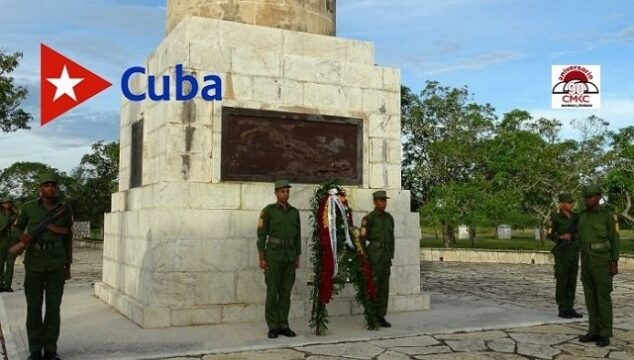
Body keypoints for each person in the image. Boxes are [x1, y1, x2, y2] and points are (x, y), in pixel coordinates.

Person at [10, 174, 73, 360]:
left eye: (53, 185)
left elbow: (68, 237)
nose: (50, 188)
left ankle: (51, 350)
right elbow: (15, 228)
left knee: (54, 308)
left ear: (57, 189)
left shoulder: (64, 209)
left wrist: (68, 264)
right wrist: (23, 238)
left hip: (56, 262)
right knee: (34, 307)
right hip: (35, 262)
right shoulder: (29, 207)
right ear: (40, 189)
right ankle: (35, 350)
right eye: (46, 185)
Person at [256, 180, 301, 339]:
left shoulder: (294, 212)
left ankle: (284, 324)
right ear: (276, 193)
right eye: (282, 191)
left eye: (287, 191)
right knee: (273, 290)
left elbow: (297, 237)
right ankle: (273, 326)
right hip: (273, 255)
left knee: (285, 291)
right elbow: (261, 235)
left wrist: (297, 257)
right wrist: (262, 257)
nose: (285, 194)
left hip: (289, 255)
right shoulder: (268, 211)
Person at [577, 184, 619, 347]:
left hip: (602, 262)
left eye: (591, 196)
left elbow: (615, 239)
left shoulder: (607, 215)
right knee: (590, 299)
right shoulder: (582, 216)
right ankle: (593, 330)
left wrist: (614, 262)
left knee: (603, 298)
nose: (588, 199)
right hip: (586, 261)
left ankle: (605, 333)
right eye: (586, 197)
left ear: (599, 197)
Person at [360, 190, 394, 328]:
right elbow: (361, 239)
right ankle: (371, 316)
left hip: (385, 256)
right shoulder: (369, 219)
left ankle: (380, 315)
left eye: (384, 200)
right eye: (380, 201)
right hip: (374, 256)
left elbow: (391, 238)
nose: (383, 203)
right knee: (373, 286)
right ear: (374, 202)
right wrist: (364, 258)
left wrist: (391, 255)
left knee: (384, 287)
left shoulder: (389, 218)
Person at [547, 193, 582, 319]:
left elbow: (580, 232)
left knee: (572, 281)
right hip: (562, 253)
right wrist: (561, 237)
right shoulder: (556, 218)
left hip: (573, 251)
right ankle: (562, 308)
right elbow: (549, 234)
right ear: (562, 204)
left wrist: (576, 239)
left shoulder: (576, 217)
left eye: (572, 202)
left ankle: (570, 307)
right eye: (568, 202)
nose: (571, 204)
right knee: (562, 280)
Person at [0, 198, 18, 292]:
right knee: (0, 264)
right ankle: (0, 284)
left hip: (12, 243)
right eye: (6, 203)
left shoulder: (15, 215)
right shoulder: (0, 215)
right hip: (1, 243)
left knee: (10, 265)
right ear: (2, 204)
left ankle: (7, 285)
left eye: (9, 203)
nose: (8, 204)